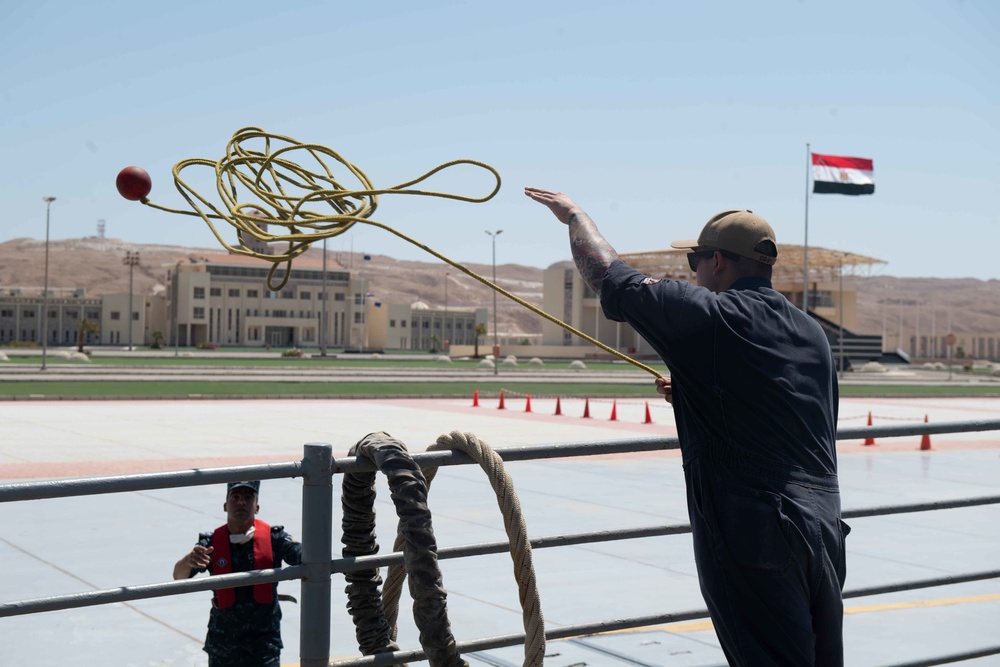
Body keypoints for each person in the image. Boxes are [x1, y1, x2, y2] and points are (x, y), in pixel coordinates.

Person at [525, 187, 849, 667]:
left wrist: (575, 216)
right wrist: (701, 389)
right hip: (823, 530)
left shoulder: (711, 315)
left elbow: (612, 277)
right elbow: (790, 406)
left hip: (758, 533)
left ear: (717, 261)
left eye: (695, 260)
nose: (691, 272)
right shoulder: (810, 332)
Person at [173, 481, 302, 667]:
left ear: (256, 507)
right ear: (225, 506)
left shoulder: (275, 539)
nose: (241, 502)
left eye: (248, 498)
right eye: (235, 497)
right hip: (223, 643)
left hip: (263, 644)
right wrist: (188, 560)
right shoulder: (210, 543)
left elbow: (303, 555)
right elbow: (179, 576)